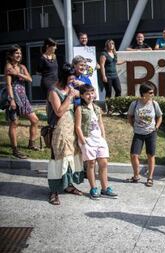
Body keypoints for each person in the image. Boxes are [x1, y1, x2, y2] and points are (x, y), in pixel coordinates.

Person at [46, 63, 83, 205]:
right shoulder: (54, 91)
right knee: (58, 159)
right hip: (58, 130)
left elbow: (88, 96)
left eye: (73, 79)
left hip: (71, 129)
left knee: (70, 158)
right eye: (70, 79)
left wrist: (80, 87)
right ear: (63, 77)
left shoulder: (71, 87)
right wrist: (69, 96)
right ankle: (54, 191)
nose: (72, 81)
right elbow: (59, 111)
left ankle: (68, 185)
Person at [75, 85, 118, 199]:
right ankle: (94, 188)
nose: (90, 96)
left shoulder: (97, 108)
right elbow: (78, 126)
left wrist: (103, 137)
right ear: (82, 96)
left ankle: (105, 188)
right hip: (87, 139)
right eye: (87, 94)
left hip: (99, 139)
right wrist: (83, 141)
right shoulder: (80, 109)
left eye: (92, 93)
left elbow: (101, 123)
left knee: (103, 163)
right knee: (91, 164)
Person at [4, 44, 39, 159]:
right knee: (14, 123)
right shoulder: (8, 67)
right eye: (16, 53)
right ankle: (15, 149)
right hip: (14, 97)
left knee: (35, 120)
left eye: (20, 53)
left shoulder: (22, 67)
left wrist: (18, 73)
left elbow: (30, 79)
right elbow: (9, 84)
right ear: (11, 55)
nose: (19, 55)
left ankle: (31, 144)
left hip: (23, 97)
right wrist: (11, 100)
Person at [127, 83, 163, 187]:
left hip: (151, 132)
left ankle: (150, 177)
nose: (153, 94)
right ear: (143, 93)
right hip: (138, 133)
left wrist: (156, 127)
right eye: (150, 92)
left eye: (153, 92)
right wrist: (133, 126)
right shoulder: (135, 104)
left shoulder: (154, 104)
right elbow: (129, 116)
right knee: (134, 155)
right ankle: (136, 176)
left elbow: (159, 116)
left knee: (150, 155)